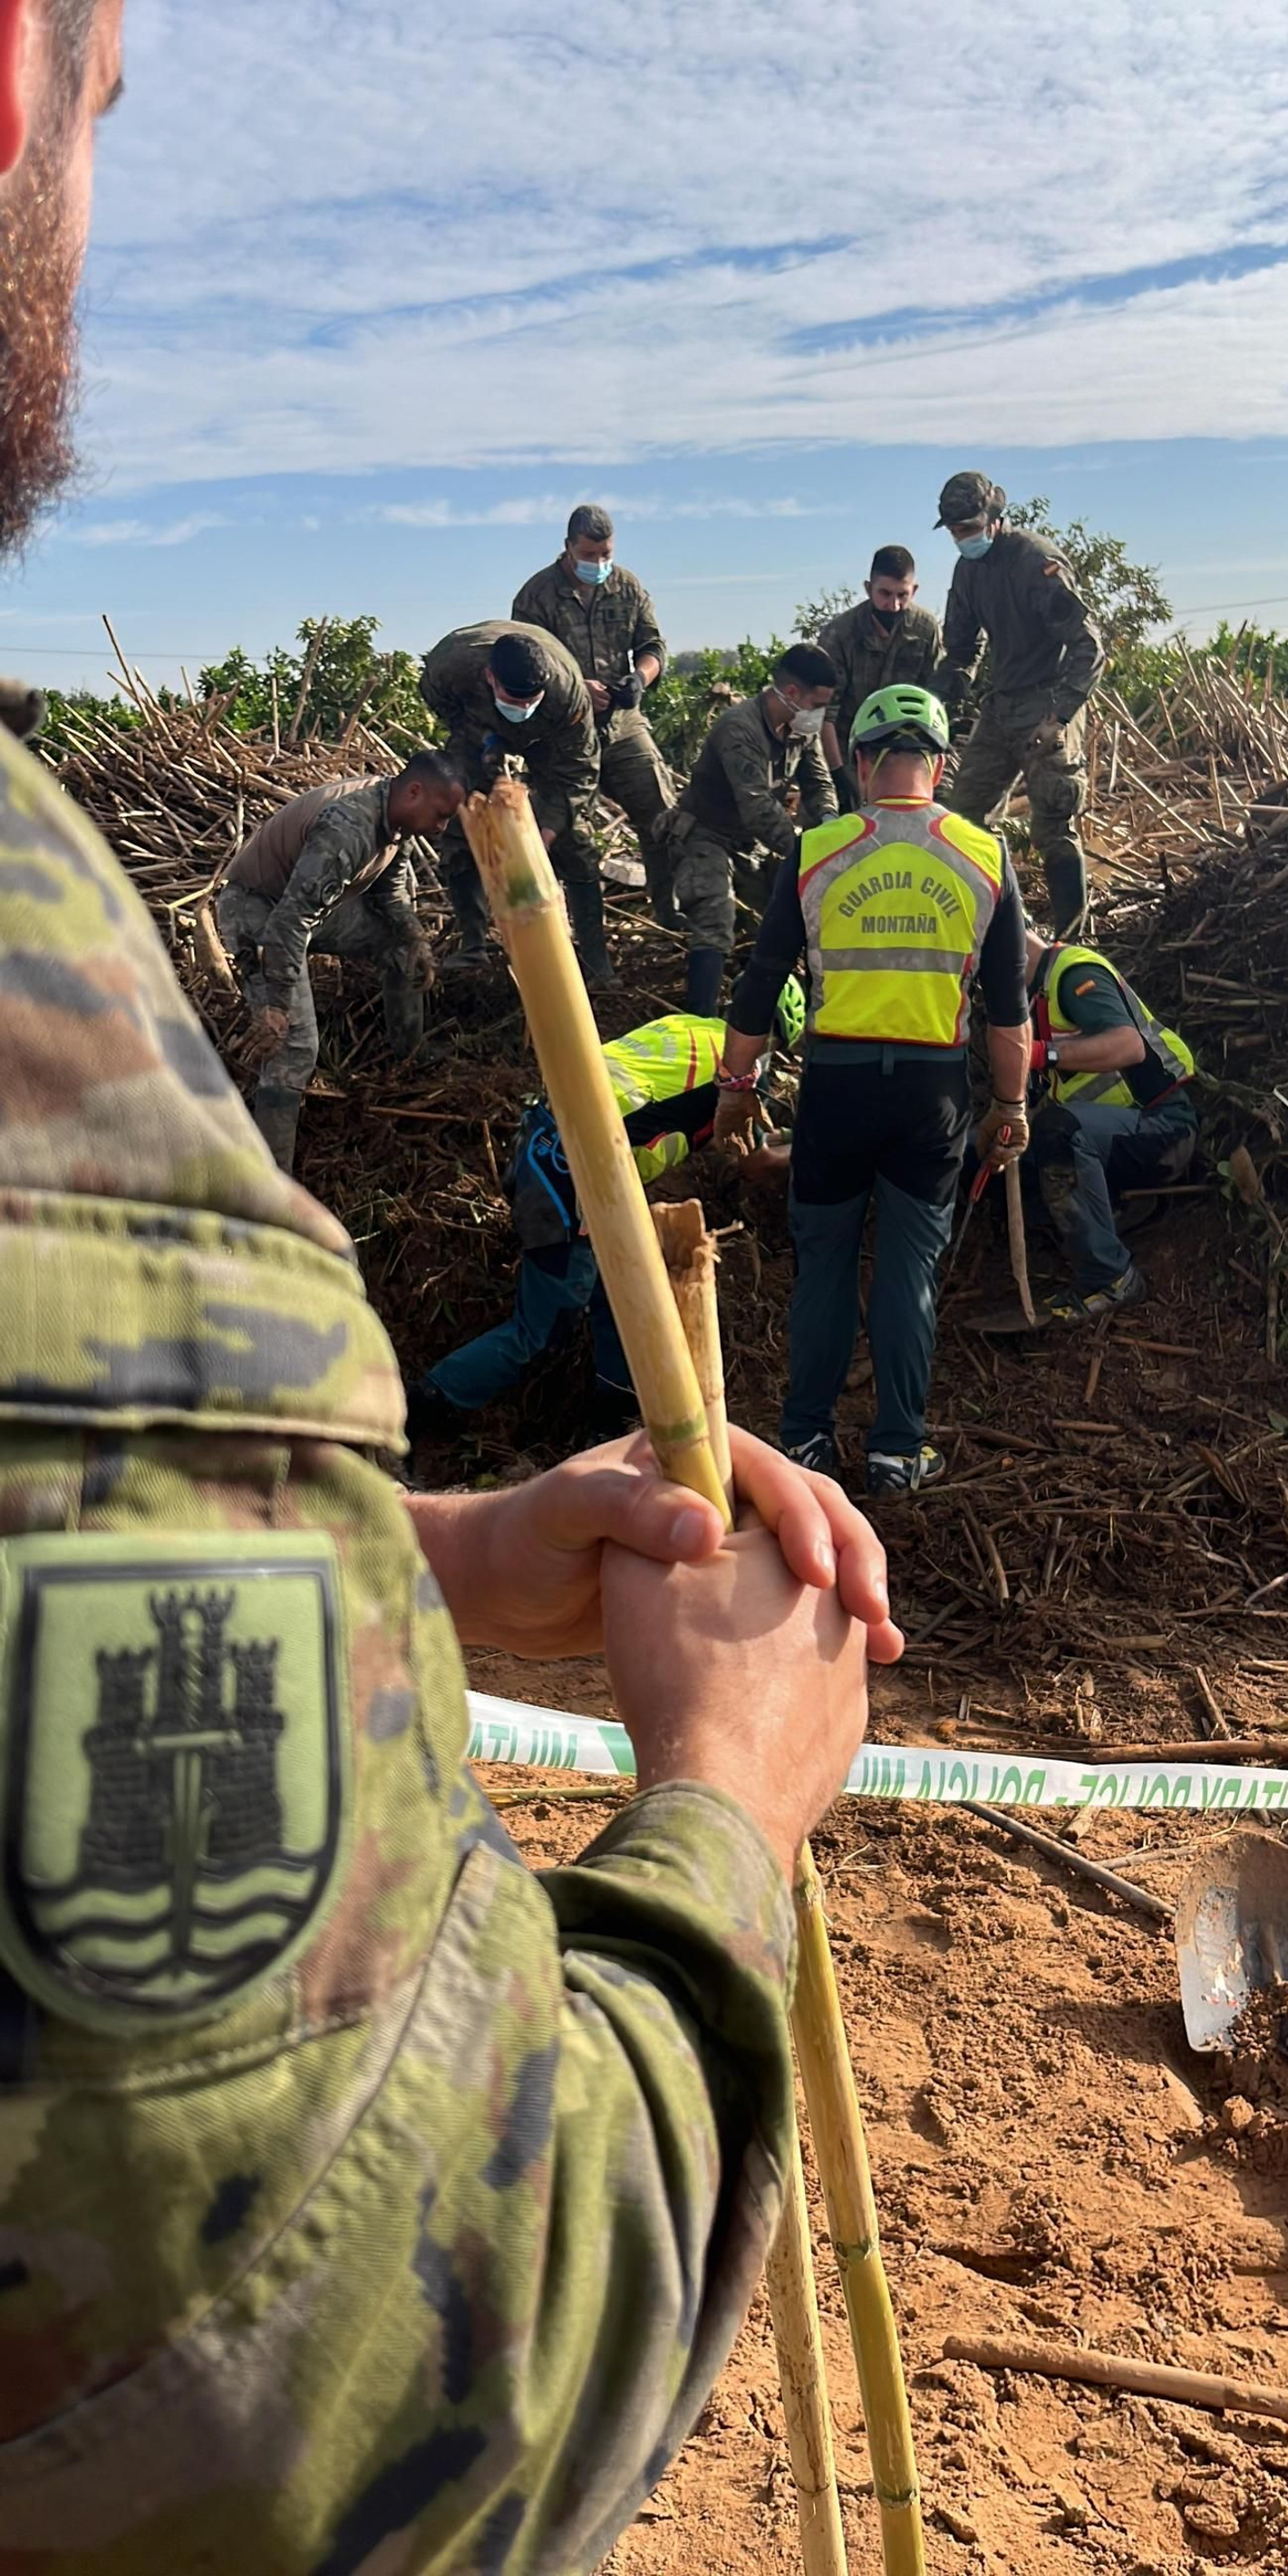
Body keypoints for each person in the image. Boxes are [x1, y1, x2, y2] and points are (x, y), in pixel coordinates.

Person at [0, 11, 905, 2570]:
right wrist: (719, 1810)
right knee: (498, 1293)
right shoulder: (105, 975)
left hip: (542, 1138)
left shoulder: (651, 899)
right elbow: (308, 2395)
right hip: (370, 1087)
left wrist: (411, 1560)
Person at [715, 684, 1031, 1497]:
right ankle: (896, 1450)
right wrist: (1012, 1106)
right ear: (940, 764)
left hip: (837, 1090)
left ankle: (804, 1445)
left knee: (822, 1265)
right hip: (932, 1098)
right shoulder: (984, 855)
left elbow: (759, 984)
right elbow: (1008, 1013)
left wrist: (736, 1087)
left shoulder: (817, 849)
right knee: (907, 1271)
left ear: (858, 762)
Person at [408, 979, 807, 1446]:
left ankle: (609, 1431)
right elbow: (754, 1161)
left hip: (552, 1145)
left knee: (622, 1299)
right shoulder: (733, 1071)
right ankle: (418, 1409)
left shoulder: (687, 1028)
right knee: (543, 1329)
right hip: (576, 1165)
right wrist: (822, 1146)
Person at [217, 752, 464, 1172]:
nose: (441, 828)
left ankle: (408, 1054)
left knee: (400, 949)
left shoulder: (395, 821)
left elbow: (389, 894)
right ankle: (271, 1181)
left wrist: (414, 938)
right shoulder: (347, 827)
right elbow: (288, 924)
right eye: (440, 816)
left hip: (309, 910)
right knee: (295, 1045)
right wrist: (276, 1004)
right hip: (257, 911)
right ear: (415, 792)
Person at [967, 925, 1197, 1325]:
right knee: (987, 1153)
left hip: (1163, 1130)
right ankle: (1101, 1220)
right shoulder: (1034, 1002)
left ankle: (1111, 1277)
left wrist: (1038, 1054)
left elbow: (1128, 1045)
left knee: (1058, 1130)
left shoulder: (1073, 975)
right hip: (1109, 1141)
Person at [936, 469, 1105, 938]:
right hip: (1001, 704)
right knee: (963, 821)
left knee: (1053, 825)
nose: (962, 539)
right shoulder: (966, 571)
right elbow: (961, 652)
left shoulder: (1037, 561)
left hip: (1047, 702)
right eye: (954, 532)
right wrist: (936, 705)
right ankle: (1004, 927)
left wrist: (1062, 715)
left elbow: (1089, 646)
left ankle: (1075, 940)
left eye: (968, 529)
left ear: (994, 519)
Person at [418, 617, 615, 989]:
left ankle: (596, 960)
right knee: (461, 817)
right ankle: (473, 943)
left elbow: (578, 774)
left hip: (549, 739)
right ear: (491, 677)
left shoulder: (566, 695)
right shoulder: (451, 667)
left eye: (531, 699)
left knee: (578, 843)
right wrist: (481, 737)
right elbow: (444, 707)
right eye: (515, 699)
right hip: (476, 722)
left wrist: (546, 834)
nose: (523, 705)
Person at [512, 504, 677, 923]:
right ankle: (571, 938)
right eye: (589, 556)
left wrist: (639, 678)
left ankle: (668, 914)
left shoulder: (627, 586)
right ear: (568, 548)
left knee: (662, 814)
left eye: (606, 555)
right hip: (562, 733)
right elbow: (523, 665)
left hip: (622, 726)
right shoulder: (535, 597)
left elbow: (653, 646)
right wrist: (574, 688)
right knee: (568, 837)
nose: (599, 564)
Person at [665, 642, 838, 1018]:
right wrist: (808, 855)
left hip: (753, 844)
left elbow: (820, 783)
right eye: (817, 705)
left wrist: (829, 826)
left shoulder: (800, 728)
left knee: (788, 918)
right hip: (706, 835)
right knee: (716, 920)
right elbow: (758, 806)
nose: (819, 715)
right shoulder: (740, 728)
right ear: (792, 694)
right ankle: (700, 1025)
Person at [818, 546, 945, 812]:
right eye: (885, 594)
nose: (894, 605)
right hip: (846, 748)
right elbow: (825, 715)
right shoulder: (840, 634)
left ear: (915, 590)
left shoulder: (926, 629)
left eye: (903, 595)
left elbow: (935, 702)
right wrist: (839, 774)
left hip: (906, 750)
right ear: (868, 588)